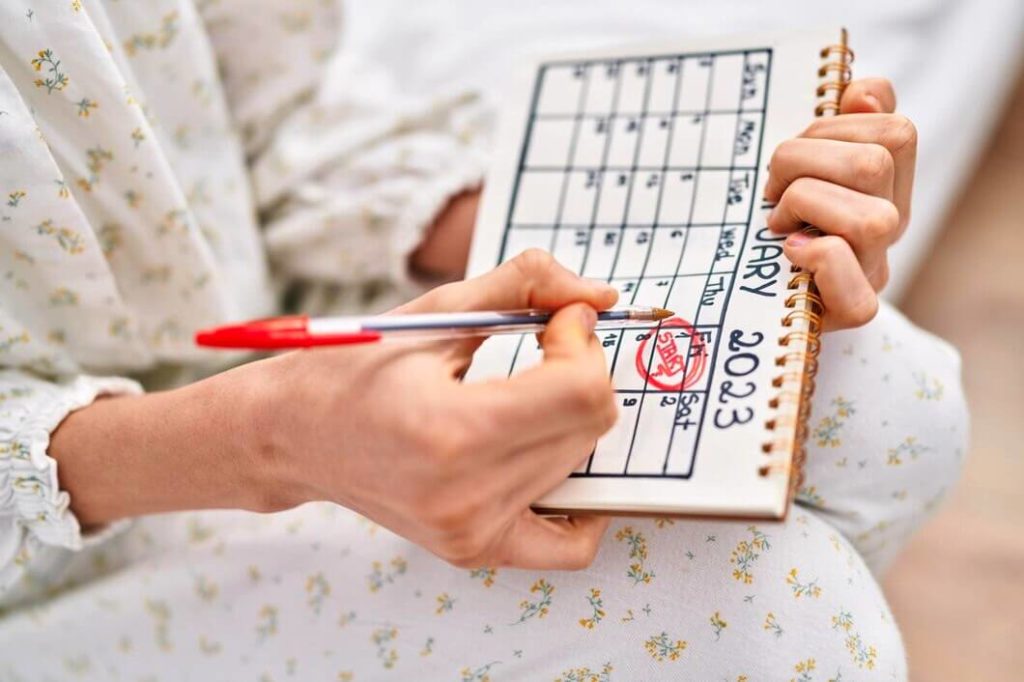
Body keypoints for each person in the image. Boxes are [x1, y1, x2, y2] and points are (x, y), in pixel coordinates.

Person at [0, 1, 966, 679]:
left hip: (272, 336)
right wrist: (271, 437)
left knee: (899, 404)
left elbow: (272, 122)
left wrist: (692, 222)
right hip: (53, 555)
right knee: (789, 629)